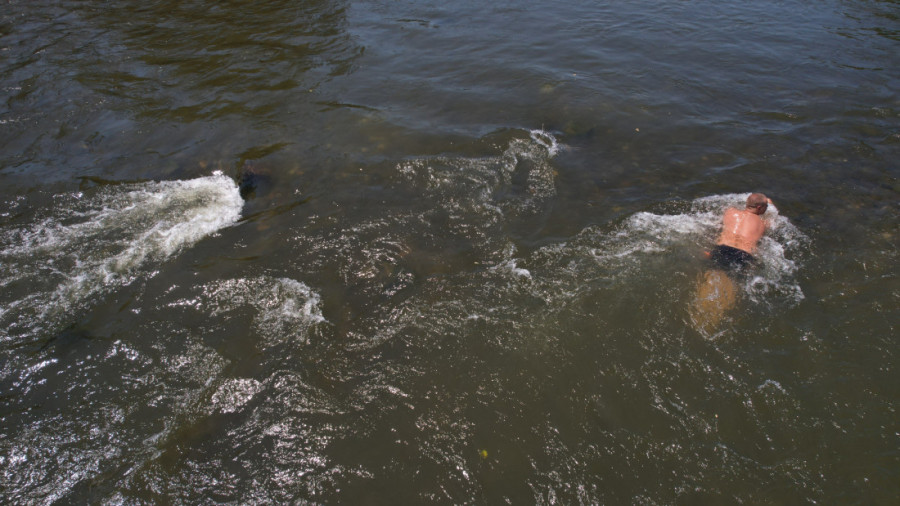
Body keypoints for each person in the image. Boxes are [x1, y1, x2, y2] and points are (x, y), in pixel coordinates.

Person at [707, 193, 772, 271]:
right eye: (766, 206)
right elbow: (773, 217)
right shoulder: (762, 223)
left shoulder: (730, 212)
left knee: (712, 274)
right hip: (742, 255)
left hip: (722, 249)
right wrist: (770, 203)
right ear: (759, 207)